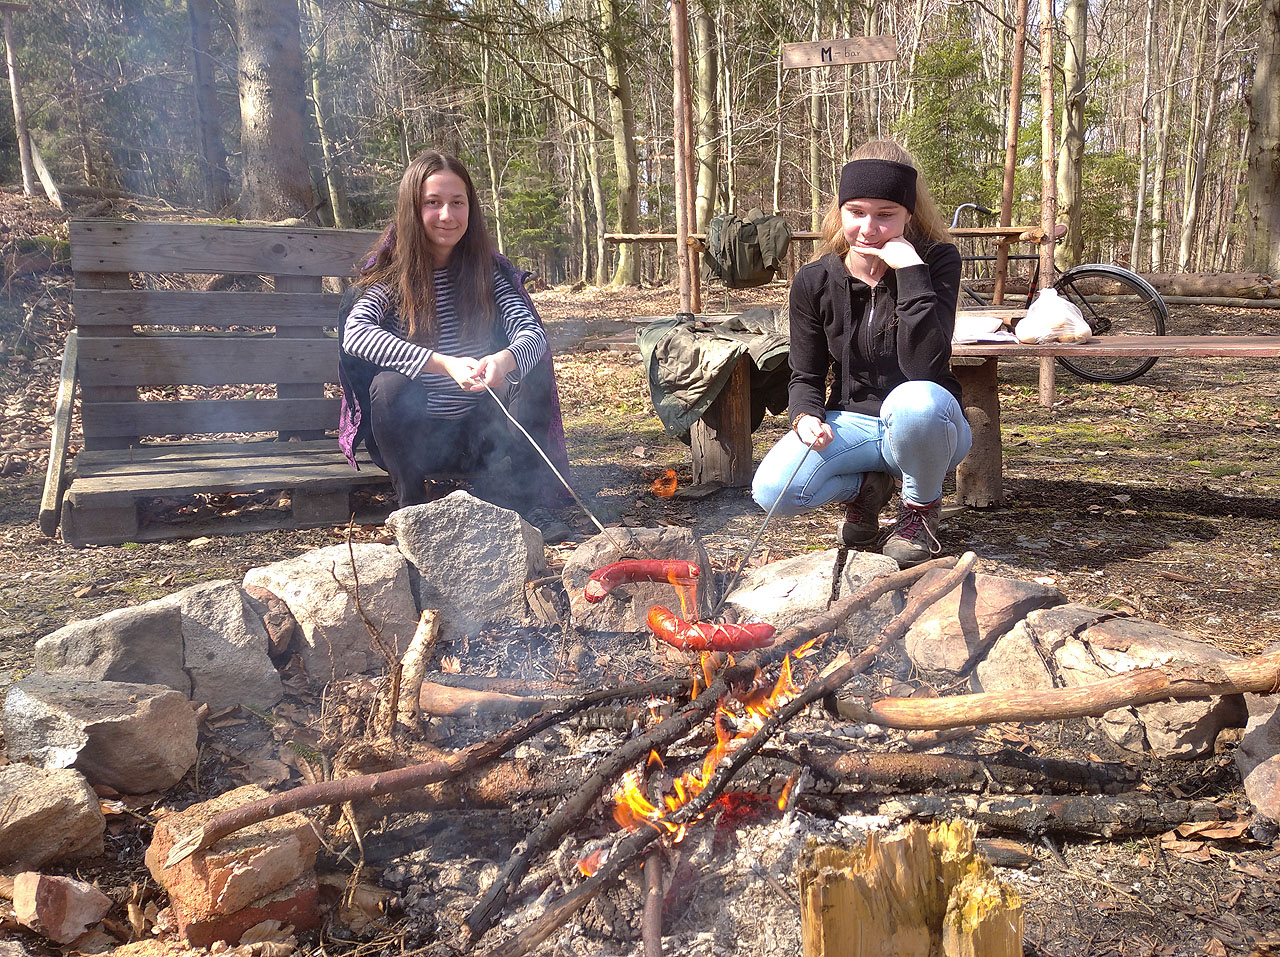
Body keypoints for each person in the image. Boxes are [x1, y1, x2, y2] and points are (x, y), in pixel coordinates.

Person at [750, 141, 971, 566]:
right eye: (856, 213)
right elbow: (806, 373)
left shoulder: (936, 261)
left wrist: (910, 272)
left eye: (886, 215)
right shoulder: (814, 281)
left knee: (915, 402)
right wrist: (805, 416)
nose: (869, 228)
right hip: (853, 424)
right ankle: (867, 488)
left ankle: (919, 512)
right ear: (840, 212)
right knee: (773, 491)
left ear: (909, 214)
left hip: (930, 426)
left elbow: (926, 365)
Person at [336, 150, 572, 531]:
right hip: (417, 440)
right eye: (433, 203)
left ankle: (529, 505)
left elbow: (532, 334)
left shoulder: (489, 274)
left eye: (457, 203)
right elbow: (357, 334)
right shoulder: (391, 278)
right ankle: (411, 510)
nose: (447, 215)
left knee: (529, 374)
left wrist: (504, 361)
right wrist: (443, 363)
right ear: (413, 209)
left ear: (470, 209)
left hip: (481, 439)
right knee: (389, 385)